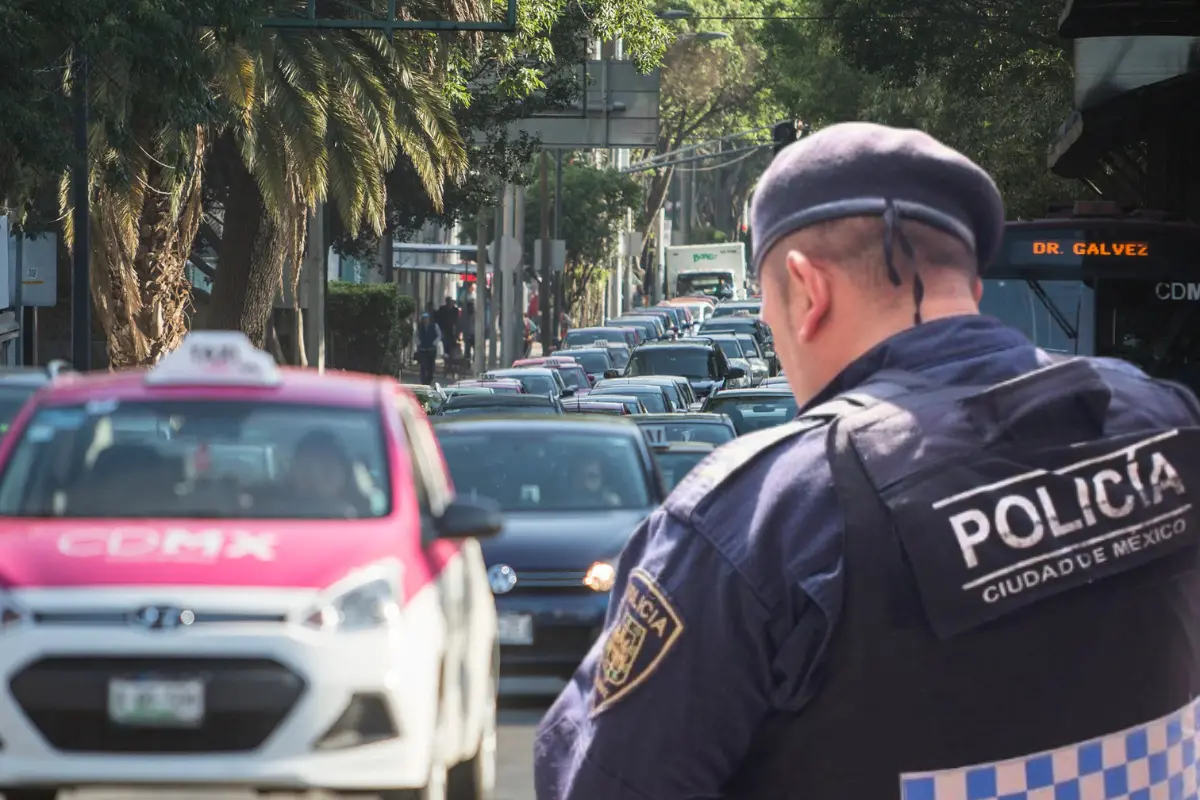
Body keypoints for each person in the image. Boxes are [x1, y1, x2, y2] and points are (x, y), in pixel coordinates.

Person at [533, 122, 1200, 799]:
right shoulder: (1167, 422)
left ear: (806, 290)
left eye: (768, 309)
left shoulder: (759, 522)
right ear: (968, 288)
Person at [285, 430, 370, 517]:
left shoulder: (369, 518)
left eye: (326, 470)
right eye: (306, 470)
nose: (316, 479)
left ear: (345, 475)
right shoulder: (274, 515)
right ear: (292, 472)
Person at [414, 312, 441, 385]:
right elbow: (416, 336)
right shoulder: (420, 327)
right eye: (424, 319)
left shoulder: (434, 326)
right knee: (423, 366)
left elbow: (439, 335)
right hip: (423, 349)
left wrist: (434, 343)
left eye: (426, 319)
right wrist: (419, 343)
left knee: (430, 366)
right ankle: (423, 381)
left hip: (431, 349)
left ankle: (429, 380)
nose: (425, 320)